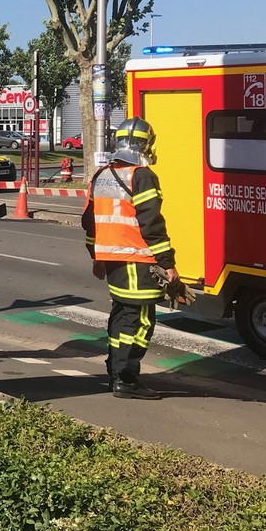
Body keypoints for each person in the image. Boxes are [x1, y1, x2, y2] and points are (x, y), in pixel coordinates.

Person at [82, 117, 177, 400]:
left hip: (113, 262)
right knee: (139, 321)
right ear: (146, 144)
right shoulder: (142, 175)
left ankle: (116, 372)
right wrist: (168, 263)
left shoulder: (102, 175)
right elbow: (151, 223)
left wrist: (96, 257)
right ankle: (126, 379)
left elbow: (90, 222)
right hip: (138, 260)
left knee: (122, 315)